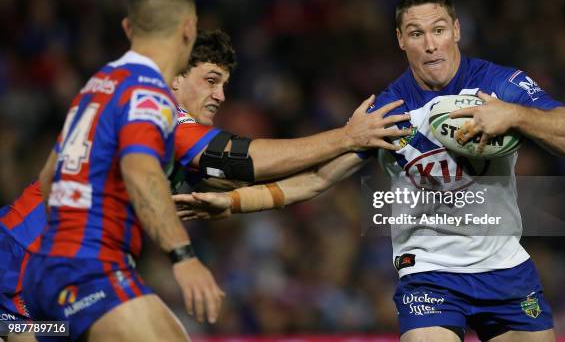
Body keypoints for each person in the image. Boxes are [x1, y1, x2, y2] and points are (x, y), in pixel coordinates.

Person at [177, 0, 565, 342]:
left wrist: (513, 115)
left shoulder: (501, 85)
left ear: (456, 31)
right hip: (429, 275)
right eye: (416, 33)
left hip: (505, 267)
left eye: (439, 30)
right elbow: (317, 180)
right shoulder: (387, 111)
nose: (430, 44)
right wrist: (232, 203)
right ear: (400, 39)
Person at [1, 28, 408, 341]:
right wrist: (347, 136)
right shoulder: (158, 116)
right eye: (211, 80)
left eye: (225, 85)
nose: (220, 95)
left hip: (69, 275)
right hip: (22, 261)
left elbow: (310, 182)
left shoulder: (179, 155)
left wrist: (368, 145)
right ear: (175, 78)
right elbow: (244, 158)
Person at [18, 0, 215, 342]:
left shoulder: (96, 87)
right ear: (189, 29)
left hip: (46, 272)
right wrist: (184, 256)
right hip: (90, 270)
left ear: (128, 27)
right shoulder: (148, 94)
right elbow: (140, 170)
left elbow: (49, 178)